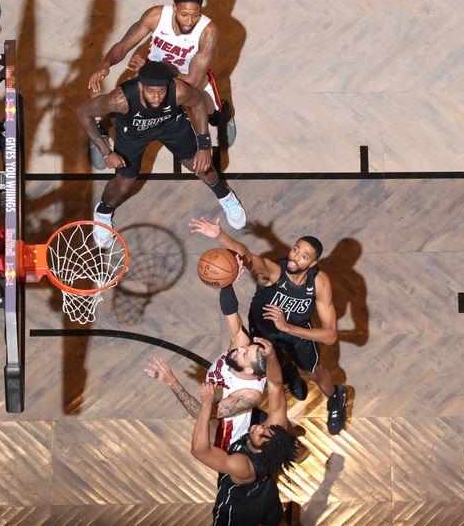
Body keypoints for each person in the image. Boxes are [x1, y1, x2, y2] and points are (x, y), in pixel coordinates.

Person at [189, 216, 348, 435]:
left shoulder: (320, 283)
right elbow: (246, 255)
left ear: (312, 264)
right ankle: (290, 374)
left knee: (316, 374)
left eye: (304, 256)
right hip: (264, 330)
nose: (295, 258)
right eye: (295, 249)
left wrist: (288, 327)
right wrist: (219, 235)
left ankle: (336, 398)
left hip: (297, 333)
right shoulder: (275, 272)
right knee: (271, 366)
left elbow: (330, 336)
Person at [77, 60, 245, 248]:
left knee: (203, 167)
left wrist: (204, 146)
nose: (157, 98)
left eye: (161, 91)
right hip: (133, 134)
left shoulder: (178, 90)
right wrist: (105, 152)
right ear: (140, 85)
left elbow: (198, 103)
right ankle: (103, 212)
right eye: (151, 91)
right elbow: (83, 112)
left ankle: (225, 196)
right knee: (123, 183)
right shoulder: (120, 99)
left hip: (172, 126)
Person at [87, 0, 235, 169]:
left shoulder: (208, 31)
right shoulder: (155, 16)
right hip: (153, 76)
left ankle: (224, 115)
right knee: (126, 106)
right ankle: (102, 129)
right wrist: (106, 63)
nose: (189, 21)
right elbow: (124, 45)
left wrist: (149, 70)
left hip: (190, 79)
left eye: (195, 15)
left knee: (214, 117)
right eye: (184, 15)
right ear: (174, 8)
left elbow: (193, 80)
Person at [192, 337, 298, 526]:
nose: (259, 426)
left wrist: (207, 404)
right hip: (266, 493)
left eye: (261, 434)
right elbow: (275, 383)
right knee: (275, 519)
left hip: (239, 510)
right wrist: (271, 355)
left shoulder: (243, 465)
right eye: (266, 428)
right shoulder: (275, 433)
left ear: (260, 451)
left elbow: (200, 450)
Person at [145, 286, 267, 449]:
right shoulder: (242, 349)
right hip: (229, 404)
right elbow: (230, 311)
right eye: (246, 348)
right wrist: (226, 282)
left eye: (244, 355)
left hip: (227, 434)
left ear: (249, 371)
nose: (240, 349)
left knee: (210, 443)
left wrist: (171, 381)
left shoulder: (248, 395)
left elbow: (202, 413)